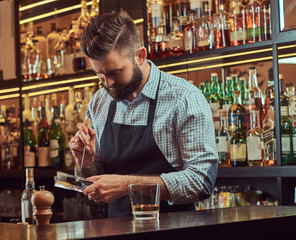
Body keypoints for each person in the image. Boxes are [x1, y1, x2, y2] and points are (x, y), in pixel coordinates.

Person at [69, 10, 218, 218]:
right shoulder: (99, 102)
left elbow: (201, 182)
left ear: (140, 56)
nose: (107, 84)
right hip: (115, 231)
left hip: (173, 230)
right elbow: (96, 182)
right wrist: (86, 163)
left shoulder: (184, 98)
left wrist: (126, 185)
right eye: (99, 75)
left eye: (114, 72)